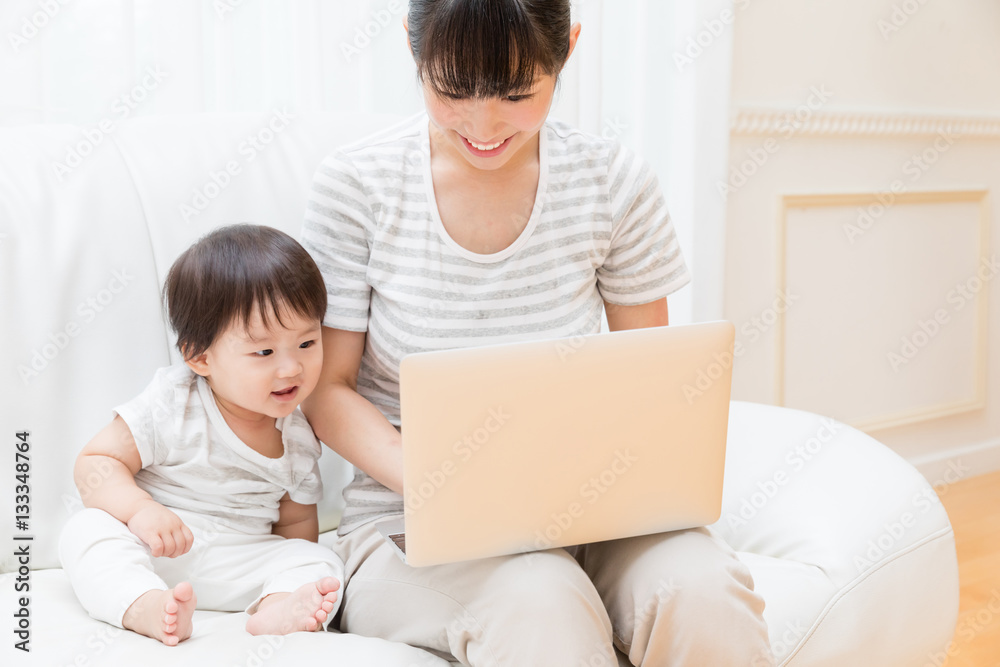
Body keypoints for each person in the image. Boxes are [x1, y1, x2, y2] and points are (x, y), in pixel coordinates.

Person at [300, 1, 775, 664]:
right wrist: (440, 479)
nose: (484, 124)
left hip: (593, 511)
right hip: (411, 526)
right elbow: (327, 389)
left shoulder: (613, 182)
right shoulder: (357, 186)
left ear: (568, 51)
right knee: (542, 599)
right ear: (415, 54)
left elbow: (650, 377)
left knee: (703, 590)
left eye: (517, 92)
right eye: (451, 88)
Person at [59, 224, 343, 646]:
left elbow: (296, 520)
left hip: (238, 560)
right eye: (264, 352)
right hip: (153, 549)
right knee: (85, 532)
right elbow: (95, 463)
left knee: (321, 558)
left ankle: (277, 607)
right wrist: (140, 511)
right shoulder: (174, 403)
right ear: (200, 356)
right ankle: (143, 604)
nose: (291, 368)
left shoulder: (299, 437)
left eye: (306, 343)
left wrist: (294, 574)